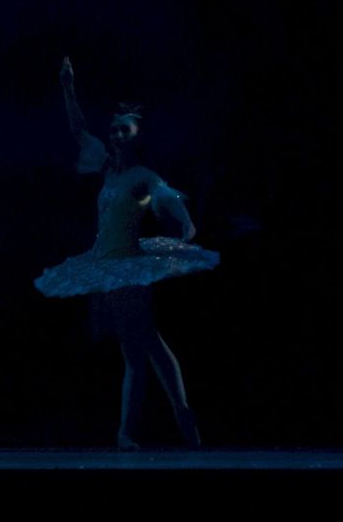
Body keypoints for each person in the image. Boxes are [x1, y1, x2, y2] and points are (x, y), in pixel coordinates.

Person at [34, 58, 215, 448]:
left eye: (123, 129)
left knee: (144, 341)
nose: (115, 134)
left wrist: (186, 226)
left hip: (129, 266)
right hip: (106, 264)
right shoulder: (107, 171)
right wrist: (68, 87)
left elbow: (169, 200)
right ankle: (140, 427)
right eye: (113, 128)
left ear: (136, 135)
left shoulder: (143, 177)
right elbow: (79, 130)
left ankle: (166, 420)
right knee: (136, 349)